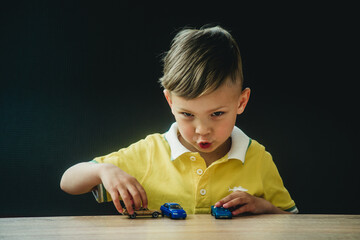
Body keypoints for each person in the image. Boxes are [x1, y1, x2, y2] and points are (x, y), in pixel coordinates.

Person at [60, 25, 298, 216]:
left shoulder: (258, 159)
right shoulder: (150, 153)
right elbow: (67, 182)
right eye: (187, 114)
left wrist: (263, 207)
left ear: (241, 102)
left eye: (217, 114)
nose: (202, 131)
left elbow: (294, 222)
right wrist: (103, 170)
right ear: (170, 102)